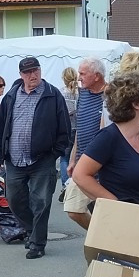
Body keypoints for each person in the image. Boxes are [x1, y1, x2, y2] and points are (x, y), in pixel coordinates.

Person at [0, 56, 70, 259]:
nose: (32, 75)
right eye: (27, 72)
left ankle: (37, 243)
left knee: (41, 201)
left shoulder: (52, 95)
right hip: (15, 159)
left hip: (42, 159)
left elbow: (64, 127)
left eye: (35, 70)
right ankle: (30, 230)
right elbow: (0, 126)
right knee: (14, 200)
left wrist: (57, 151)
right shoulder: (11, 96)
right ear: (21, 75)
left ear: (40, 71)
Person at [73, 71, 139, 209]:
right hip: (119, 222)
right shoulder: (108, 137)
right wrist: (118, 205)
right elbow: (80, 175)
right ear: (135, 103)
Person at [63, 57, 108, 231]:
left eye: (82, 73)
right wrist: (73, 159)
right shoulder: (82, 95)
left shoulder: (110, 95)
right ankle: (100, 236)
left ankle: (107, 243)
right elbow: (79, 131)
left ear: (96, 76)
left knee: (105, 210)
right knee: (73, 210)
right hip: (83, 164)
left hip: (104, 165)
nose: (79, 77)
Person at [58, 67, 79, 197]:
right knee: (76, 156)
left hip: (66, 128)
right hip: (79, 127)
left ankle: (65, 184)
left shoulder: (61, 93)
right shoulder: (80, 93)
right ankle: (73, 183)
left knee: (64, 157)